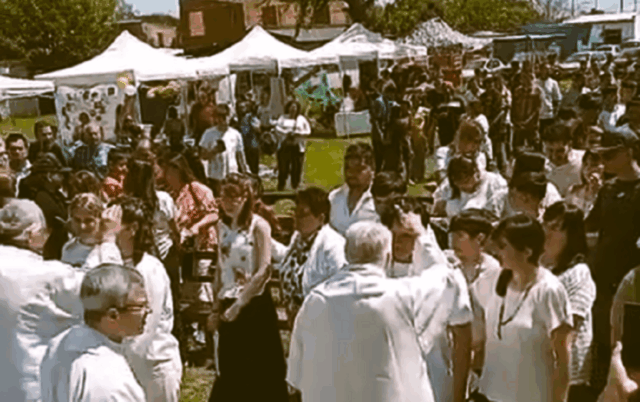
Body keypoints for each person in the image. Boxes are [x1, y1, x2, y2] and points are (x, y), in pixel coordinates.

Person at [286, 221, 473, 402]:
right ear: (387, 256)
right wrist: (422, 236)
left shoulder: (315, 301)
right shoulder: (402, 296)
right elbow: (446, 279)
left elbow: (296, 376)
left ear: (346, 254)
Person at [476, 214, 573, 402]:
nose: (496, 251)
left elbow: (563, 360)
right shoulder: (492, 279)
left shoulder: (549, 291)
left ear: (527, 251)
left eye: (503, 246)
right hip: (490, 395)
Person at [209, 173, 289, 402]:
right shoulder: (221, 227)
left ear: (246, 197)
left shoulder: (259, 226)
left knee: (260, 370)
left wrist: (240, 303)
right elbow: (221, 268)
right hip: (227, 302)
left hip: (253, 304)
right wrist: (215, 307)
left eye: (233, 196)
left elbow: (264, 270)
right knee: (230, 368)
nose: (227, 202)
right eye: (223, 196)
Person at [0, 200, 85, 402]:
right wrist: (106, 242)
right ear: (33, 235)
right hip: (29, 388)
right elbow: (103, 289)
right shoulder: (47, 274)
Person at [40, 264, 147, 402]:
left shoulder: (60, 343)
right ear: (112, 316)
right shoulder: (110, 381)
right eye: (141, 306)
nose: (148, 311)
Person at [110, 196, 182, 402]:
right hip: (124, 365)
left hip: (152, 367)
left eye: (113, 222)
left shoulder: (149, 269)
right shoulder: (110, 261)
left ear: (132, 228)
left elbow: (146, 327)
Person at [586, 128, 640, 392]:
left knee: (627, 353)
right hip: (602, 282)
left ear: (628, 152)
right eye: (602, 156)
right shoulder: (607, 189)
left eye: (610, 155)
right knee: (601, 344)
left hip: (632, 287)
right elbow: (592, 226)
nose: (604, 161)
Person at [539, 202, 597, 402]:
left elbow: (569, 325)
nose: (547, 233)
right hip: (537, 372)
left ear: (571, 236)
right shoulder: (538, 270)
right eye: (545, 226)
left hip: (569, 379)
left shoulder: (578, 273)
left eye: (555, 228)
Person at [445, 209, 502, 385]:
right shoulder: (444, 263)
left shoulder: (494, 271)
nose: (454, 241)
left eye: (460, 235)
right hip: (446, 353)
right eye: (452, 235)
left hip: (481, 357)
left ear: (480, 239)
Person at [278, 187, 346, 326]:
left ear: (321, 218)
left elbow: (341, 285)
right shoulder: (298, 237)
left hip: (321, 323)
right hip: (297, 321)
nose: (296, 217)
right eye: (295, 211)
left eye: (302, 214)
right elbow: (289, 259)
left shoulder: (333, 245)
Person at [432, 156, 507, 219]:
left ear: (476, 173)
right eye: (457, 183)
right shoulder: (447, 185)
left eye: (466, 182)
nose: (462, 186)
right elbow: (437, 212)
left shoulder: (494, 183)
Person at [61, 193, 122, 271]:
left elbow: (113, 275)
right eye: (77, 220)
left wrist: (109, 240)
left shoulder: (109, 248)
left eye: (88, 220)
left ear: (100, 219)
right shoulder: (68, 248)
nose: (82, 226)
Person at [329, 143, 379, 236]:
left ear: (373, 170)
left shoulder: (379, 201)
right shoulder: (333, 197)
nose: (351, 173)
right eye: (348, 168)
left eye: (358, 169)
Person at [199, 104, 250, 196]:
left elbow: (240, 156)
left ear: (229, 117)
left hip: (232, 176)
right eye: (220, 117)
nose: (223, 120)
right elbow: (203, 156)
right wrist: (214, 151)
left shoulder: (236, 134)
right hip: (215, 177)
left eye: (225, 116)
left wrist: (245, 172)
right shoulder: (208, 134)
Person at [30, 154, 72, 260]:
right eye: (59, 174)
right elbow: (58, 220)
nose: (63, 177)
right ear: (49, 176)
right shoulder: (43, 198)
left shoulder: (57, 195)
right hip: (51, 249)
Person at [274, 100, 311, 191]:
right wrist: (286, 132)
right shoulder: (283, 118)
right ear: (288, 108)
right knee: (283, 167)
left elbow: (308, 131)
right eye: (291, 107)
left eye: (295, 107)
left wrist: (298, 133)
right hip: (284, 146)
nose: (293, 109)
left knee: (296, 167)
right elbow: (277, 128)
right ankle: (281, 185)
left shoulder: (301, 119)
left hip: (297, 147)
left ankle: (295, 185)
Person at [543, 123, 586, 197]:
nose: (554, 156)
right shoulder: (541, 165)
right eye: (550, 150)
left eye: (560, 151)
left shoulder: (584, 160)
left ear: (569, 145)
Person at [512, 72, 544, 150]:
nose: (527, 81)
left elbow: (538, 109)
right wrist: (516, 121)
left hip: (532, 125)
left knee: (535, 146)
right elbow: (514, 106)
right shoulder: (518, 91)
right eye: (524, 78)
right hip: (519, 124)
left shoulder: (537, 91)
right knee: (518, 146)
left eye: (530, 78)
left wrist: (527, 121)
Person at [371, 83, 397, 172]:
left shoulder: (388, 102)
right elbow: (376, 120)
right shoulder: (379, 102)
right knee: (379, 157)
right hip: (379, 132)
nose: (393, 96)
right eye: (391, 93)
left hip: (385, 131)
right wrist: (380, 134)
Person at [537, 63, 563, 136]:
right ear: (541, 70)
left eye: (549, 69)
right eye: (545, 69)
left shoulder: (553, 83)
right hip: (537, 115)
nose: (548, 71)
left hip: (549, 115)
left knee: (548, 135)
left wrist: (555, 113)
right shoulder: (535, 82)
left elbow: (557, 99)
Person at [238, 100, 262, 175]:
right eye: (240, 107)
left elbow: (258, 128)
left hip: (252, 146)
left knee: (253, 168)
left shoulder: (251, 117)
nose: (241, 109)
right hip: (243, 146)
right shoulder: (238, 118)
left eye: (243, 107)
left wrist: (254, 126)